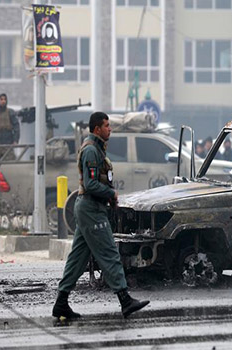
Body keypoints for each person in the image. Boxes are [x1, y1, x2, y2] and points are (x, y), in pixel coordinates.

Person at [52, 112, 149, 319]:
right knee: (109, 253)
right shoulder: (91, 151)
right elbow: (90, 184)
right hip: (91, 210)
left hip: (90, 209)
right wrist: (111, 193)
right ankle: (125, 300)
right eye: (106, 126)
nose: (110, 129)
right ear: (97, 129)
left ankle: (61, 303)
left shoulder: (97, 149)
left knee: (77, 258)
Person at [0, 93, 19, 162]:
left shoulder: (10, 112)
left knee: (8, 165)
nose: (3, 101)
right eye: (1, 99)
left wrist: (15, 140)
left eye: (5, 99)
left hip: (7, 144)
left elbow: (16, 127)